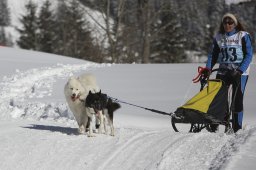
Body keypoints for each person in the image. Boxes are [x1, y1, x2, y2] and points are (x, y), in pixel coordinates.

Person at [202, 13, 253, 133]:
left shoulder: (243, 35)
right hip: (223, 71)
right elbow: (213, 55)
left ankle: (237, 128)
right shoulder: (219, 37)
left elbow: (249, 55)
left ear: (235, 24)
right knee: (219, 99)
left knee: (237, 99)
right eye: (225, 22)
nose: (227, 25)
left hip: (239, 72)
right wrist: (208, 69)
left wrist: (240, 70)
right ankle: (218, 123)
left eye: (230, 22)